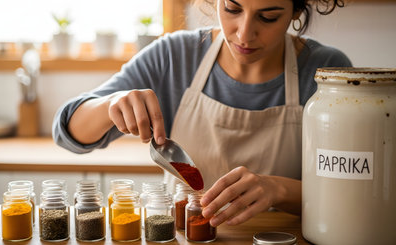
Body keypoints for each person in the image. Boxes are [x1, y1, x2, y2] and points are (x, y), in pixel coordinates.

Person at [53, 0, 351, 227]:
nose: (244, 33)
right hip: (187, 235)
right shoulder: (174, 56)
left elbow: (353, 196)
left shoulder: (327, 70)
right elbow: (68, 133)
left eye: (268, 16)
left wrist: (279, 190)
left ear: (296, 11)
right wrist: (109, 105)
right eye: (232, 8)